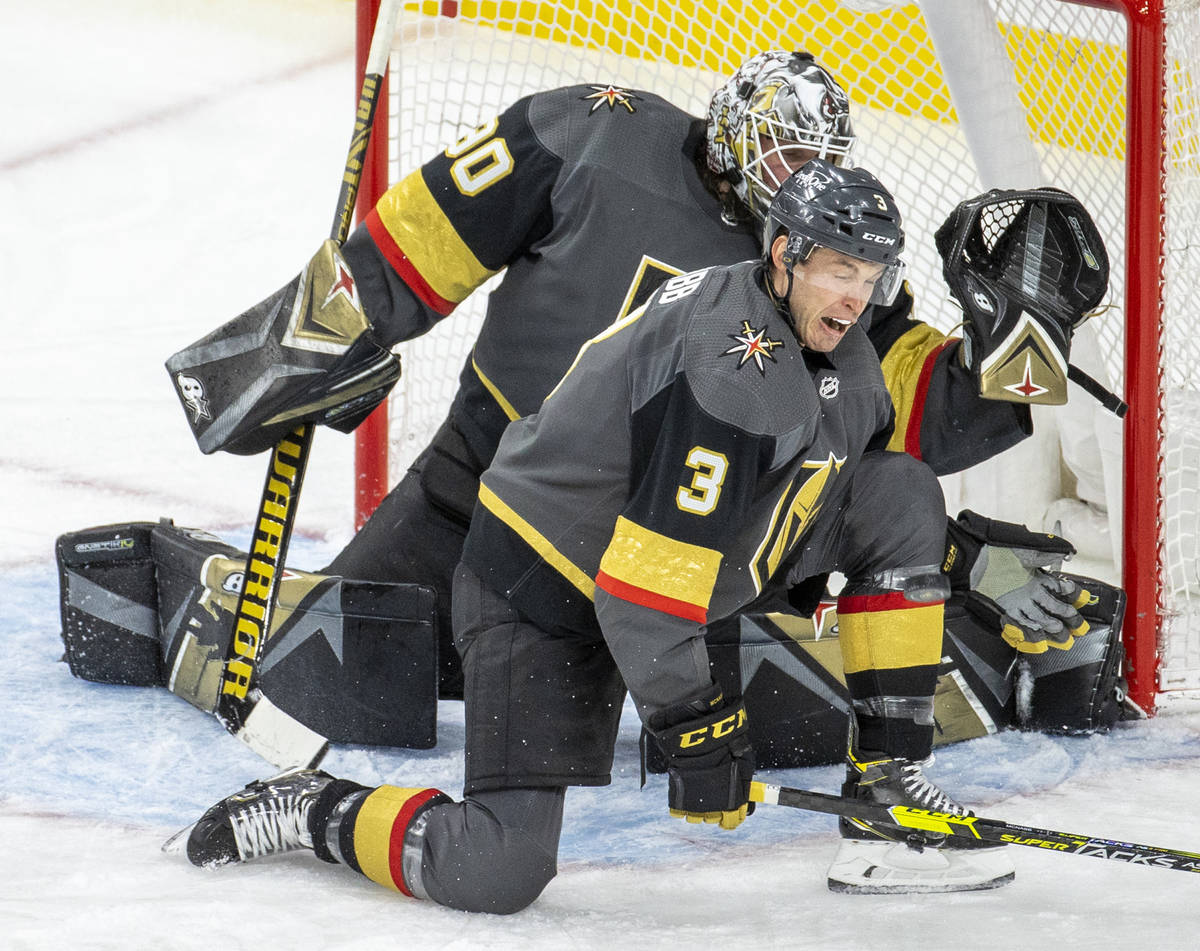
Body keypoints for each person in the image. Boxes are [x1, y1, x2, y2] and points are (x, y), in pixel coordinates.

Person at [169, 162, 1017, 905]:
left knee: (903, 490)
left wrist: (1018, 367)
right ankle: (306, 807)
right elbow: (642, 598)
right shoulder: (728, 371)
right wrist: (699, 727)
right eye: (839, 269)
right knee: (496, 869)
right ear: (784, 254)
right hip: (540, 583)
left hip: (656, 557)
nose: (857, 295)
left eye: (871, 273)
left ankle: (889, 792)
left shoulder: (844, 347)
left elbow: (838, 488)